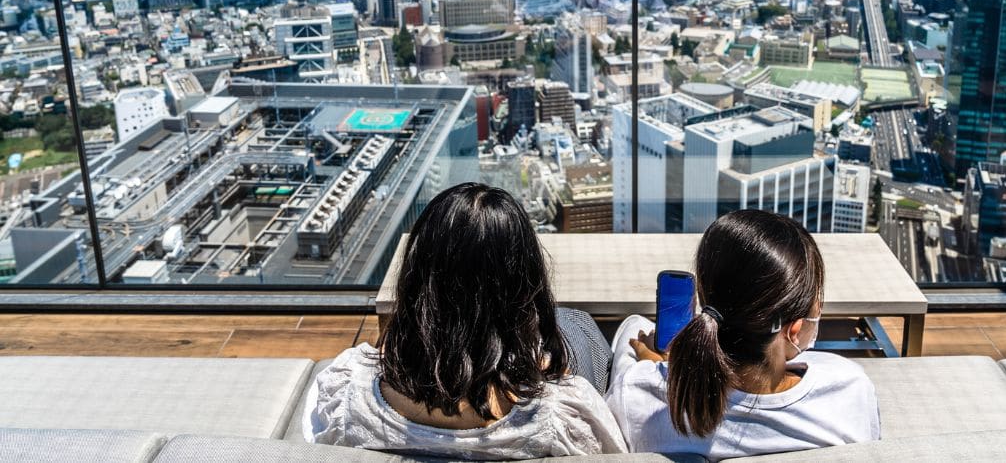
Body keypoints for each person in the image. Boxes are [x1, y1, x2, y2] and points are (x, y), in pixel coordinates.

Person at [306, 182, 626, 458]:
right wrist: (551, 382)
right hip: (536, 384)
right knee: (576, 324)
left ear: (417, 279)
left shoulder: (345, 393)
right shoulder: (561, 414)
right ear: (526, 284)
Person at [606, 209, 880, 460]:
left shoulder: (636, 395)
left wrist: (655, 368)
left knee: (634, 325)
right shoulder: (849, 390)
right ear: (794, 330)